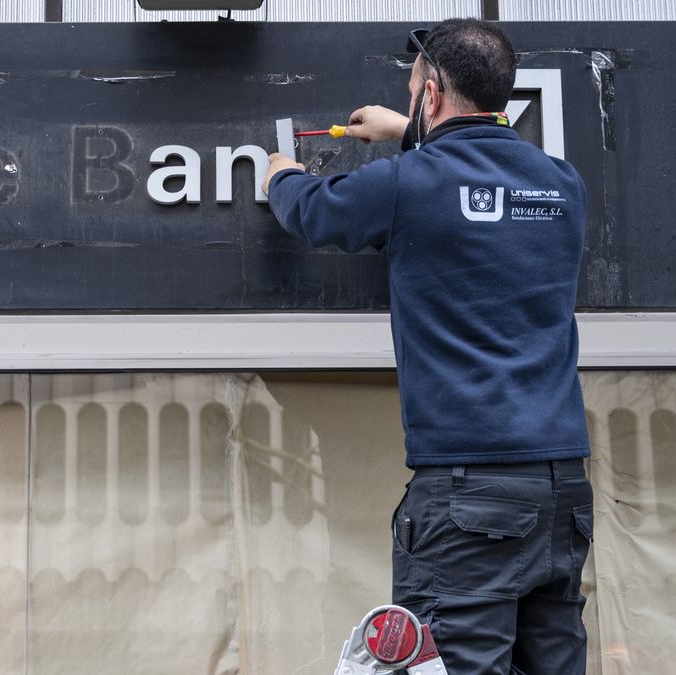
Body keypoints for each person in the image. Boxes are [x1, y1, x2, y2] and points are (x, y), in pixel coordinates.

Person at [261, 19, 594, 674]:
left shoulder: (409, 183)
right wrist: (406, 129)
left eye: (413, 86)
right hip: (561, 492)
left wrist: (280, 174)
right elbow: (484, 184)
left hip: (470, 497)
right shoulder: (561, 185)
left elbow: (316, 210)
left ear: (432, 94)